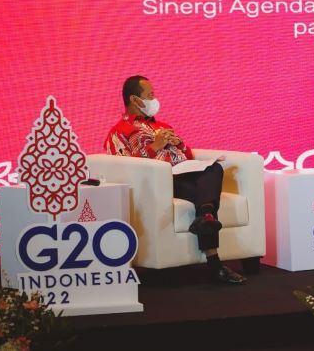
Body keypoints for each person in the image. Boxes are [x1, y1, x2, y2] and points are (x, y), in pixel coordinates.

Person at [105, 75, 247, 284]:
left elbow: (186, 156)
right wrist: (154, 147)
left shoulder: (162, 126)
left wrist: (179, 144)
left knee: (214, 169)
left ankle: (206, 216)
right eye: (150, 95)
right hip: (162, 183)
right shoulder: (119, 132)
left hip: (185, 175)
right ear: (135, 100)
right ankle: (215, 263)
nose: (154, 100)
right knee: (204, 195)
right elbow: (125, 168)